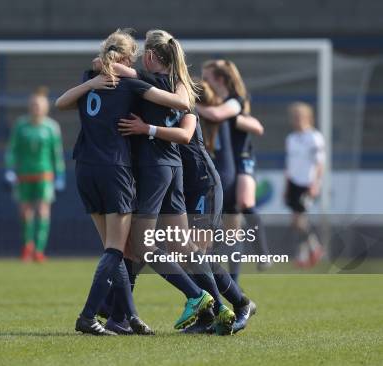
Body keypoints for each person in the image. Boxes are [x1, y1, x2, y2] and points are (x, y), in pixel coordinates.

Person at [56, 28, 211, 336]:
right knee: (120, 249)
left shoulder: (91, 76)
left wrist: (92, 80)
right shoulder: (130, 84)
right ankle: (90, 316)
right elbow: (180, 104)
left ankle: (126, 317)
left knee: (117, 249)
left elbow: (61, 103)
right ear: (128, 58)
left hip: (84, 167)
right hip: (115, 169)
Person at [100, 29, 234, 335]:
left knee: (141, 245)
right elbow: (184, 104)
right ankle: (219, 308)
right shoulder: (179, 85)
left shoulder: (142, 81)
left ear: (149, 56)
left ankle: (196, 297)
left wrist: (144, 127)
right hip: (175, 168)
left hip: (153, 167)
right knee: (183, 248)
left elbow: (106, 66)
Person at [197, 59, 270, 281]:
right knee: (231, 228)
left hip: (243, 159)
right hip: (224, 164)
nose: (203, 81)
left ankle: (263, 252)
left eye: (206, 77)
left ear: (219, 79)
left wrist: (188, 103)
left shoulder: (234, 101)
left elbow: (251, 125)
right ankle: (234, 282)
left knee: (245, 203)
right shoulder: (215, 103)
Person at [5, 87, 66, 262]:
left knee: (43, 211)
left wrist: (60, 175)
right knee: (25, 213)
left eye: (39, 105)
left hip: (44, 174)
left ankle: (39, 250)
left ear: (45, 107)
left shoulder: (51, 127)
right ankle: (27, 246)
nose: (36, 108)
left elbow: (57, 153)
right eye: (33, 104)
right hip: (24, 174)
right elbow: (12, 149)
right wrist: (10, 169)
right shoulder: (20, 125)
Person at [285, 102, 325, 267]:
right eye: (294, 117)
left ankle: (315, 248)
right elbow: (289, 164)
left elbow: (320, 163)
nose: (297, 120)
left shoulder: (314, 137)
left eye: (300, 117)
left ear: (308, 118)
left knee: (298, 220)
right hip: (294, 183)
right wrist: (286, 185)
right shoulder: (291, 138)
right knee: (299, 221)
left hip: (307, 183)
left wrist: (315, 183)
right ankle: (303, 256)